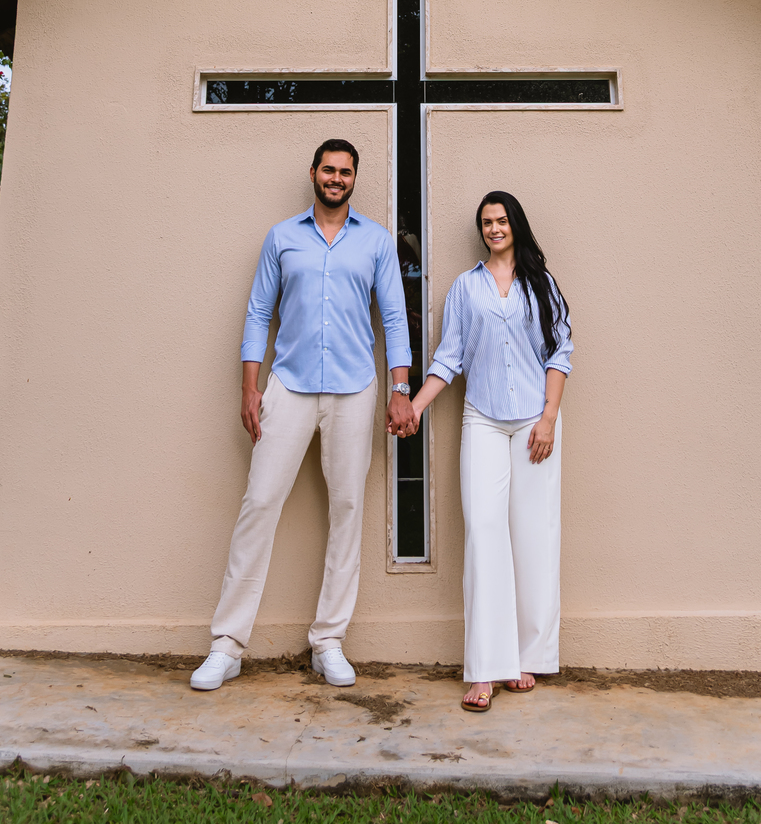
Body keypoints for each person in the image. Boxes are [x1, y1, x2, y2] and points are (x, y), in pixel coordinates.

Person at [191, 139, 417, 693]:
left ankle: (329, 641)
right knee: (260, 503)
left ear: (354, 179)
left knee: (347, 509)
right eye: (328, 169)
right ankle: (227, 645)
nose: (336, 178)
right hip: (287, 385)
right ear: (313, 173)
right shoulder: (282, 237)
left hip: (354, 388)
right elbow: (258, 312)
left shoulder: (376, 242)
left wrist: (400, 389)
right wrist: (251, 387)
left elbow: (393, 316)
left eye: (345, 172)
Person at [410, 190, 571, 712]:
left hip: (533, 422)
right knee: (484, 534)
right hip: (481, 417)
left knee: (532, 537)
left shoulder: (541, 284)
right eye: (487, 222)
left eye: (501, 220)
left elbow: (559, 351)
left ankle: (527, 657)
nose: (494, 228)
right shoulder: (465, 287)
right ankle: (485, 670)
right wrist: (414, 407)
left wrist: (548, 417)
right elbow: (448, 357)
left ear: (516, 225)